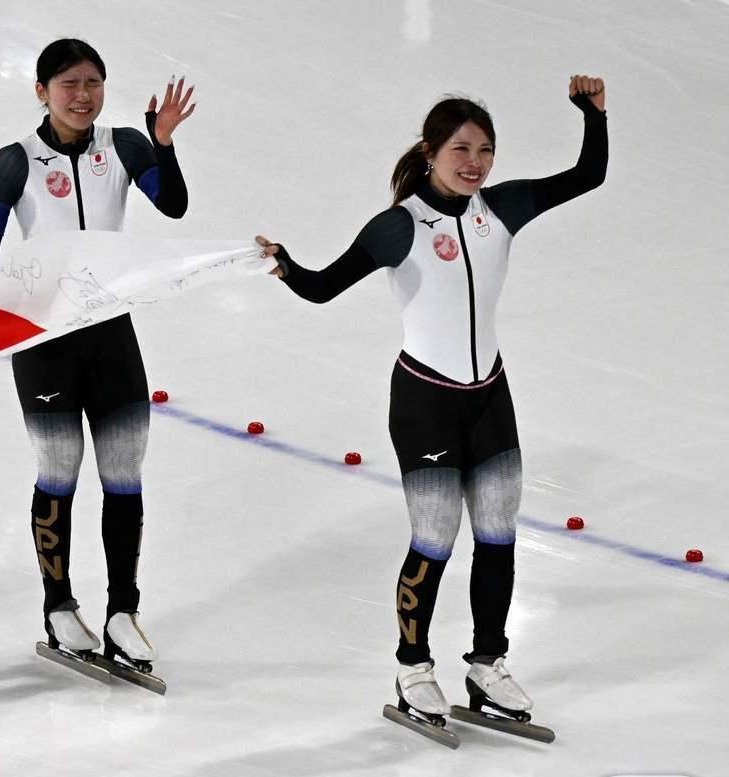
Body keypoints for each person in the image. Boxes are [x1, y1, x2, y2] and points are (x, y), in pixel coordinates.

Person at [254, 77, 608, 730]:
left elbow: (589, 174)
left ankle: (487, 663)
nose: (473, 163)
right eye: (461, 149)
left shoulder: (499, 209)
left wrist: (592, 116)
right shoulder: (399, 227)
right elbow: (324, 288)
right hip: (425, 404)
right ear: (431, 149)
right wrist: (285, 265)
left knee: (498, 534)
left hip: (490, 399)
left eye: (484, 150)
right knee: (436, 537)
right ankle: (413, 665)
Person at [0, 38, 194, 672]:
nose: (82, 94)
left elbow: (173, 206)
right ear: (41, 91)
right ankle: (58, 603)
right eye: (68, 83)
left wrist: (164, 144)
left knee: (124, 472)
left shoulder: (123, 146)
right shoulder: (14, 162)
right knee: (61, 470)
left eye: (93, 82)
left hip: (110, 335)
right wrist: (26, 303)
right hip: (44, 343)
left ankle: (123, 609)